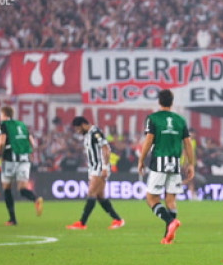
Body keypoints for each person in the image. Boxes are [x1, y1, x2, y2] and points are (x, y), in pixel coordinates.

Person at [138, 89, 195, 245]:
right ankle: (167, 237)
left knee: (151, 198)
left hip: (159, 162)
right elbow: (188, 144)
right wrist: (191, 164)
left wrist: (141, 160)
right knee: (170, 200)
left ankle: (170, 222)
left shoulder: (153, 118)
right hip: (175, 163)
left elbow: (149, 140)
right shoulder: (180, 120)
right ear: (172, 101)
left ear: (159, 101)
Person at [66, 117, 125, 230]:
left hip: (99, 167)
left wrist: (104, 167)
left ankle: (82, 223)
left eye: (78, 128)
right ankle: (118, 219)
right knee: (100, 196)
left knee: (91, 192)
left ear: (83, 124)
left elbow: (106, 149)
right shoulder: (88, 134)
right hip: (93, 168)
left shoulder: (96, 133)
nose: (78, 131)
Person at [0, 106, 43, 226]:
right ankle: (35, 199)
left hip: (10, 159)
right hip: (24, 159)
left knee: (7, 188)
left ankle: (12, 219)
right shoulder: (22, 125)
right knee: (22, 189)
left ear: (4, 115)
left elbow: (2, 142)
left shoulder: (3, 124)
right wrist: (30, 153)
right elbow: (32, 142)